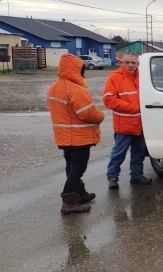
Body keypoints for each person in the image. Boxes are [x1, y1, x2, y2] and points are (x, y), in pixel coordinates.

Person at [46, 54, 105, 214]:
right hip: (78, 138)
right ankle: (69, 200)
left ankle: (79, 193)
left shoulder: (54, 87)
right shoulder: (76, 89)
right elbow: (88, 113)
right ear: (77, 70)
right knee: (77, 168)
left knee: (71, 166)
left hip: (64, 137)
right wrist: (101, 116)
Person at [103, 52, 151, 189]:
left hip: (140, 124)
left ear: (138, 64)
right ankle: (112, 177)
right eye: (127, 62)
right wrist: (132, 108)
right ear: (122, 63)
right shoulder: (115, 77)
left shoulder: (143, 77)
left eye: (133, 63)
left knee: (139, 152)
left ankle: (136, 176)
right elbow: (108, 100)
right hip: (123, 125)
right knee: (118, 153)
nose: (130, 65)